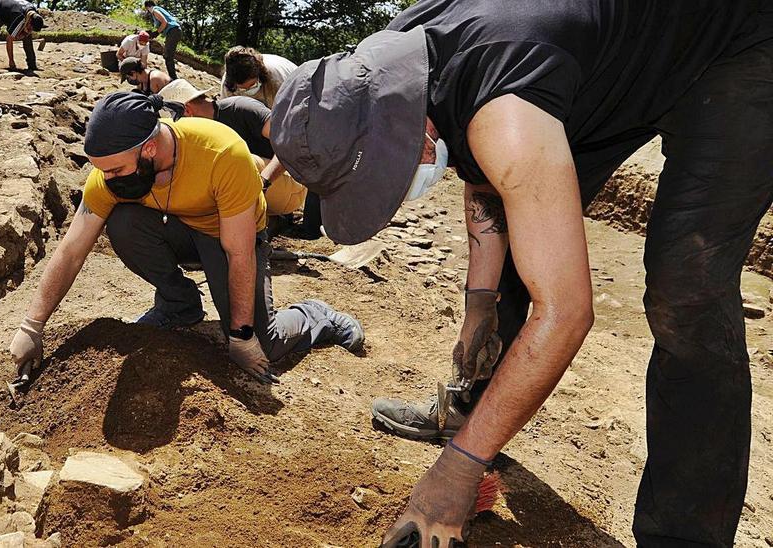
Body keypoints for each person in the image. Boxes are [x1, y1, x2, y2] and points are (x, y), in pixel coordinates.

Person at [268, 0, 773, 546]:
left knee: (686, 288)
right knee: (522, 243)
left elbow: (566, 312)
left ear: (407, 130)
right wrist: (480, 301)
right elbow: (481, 167)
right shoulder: (399, 61)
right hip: (602, 66)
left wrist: (457, 473)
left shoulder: (505, 107)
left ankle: (685, 536)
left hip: (736, 47)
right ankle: (472, 412)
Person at [7, 91, 365, 390]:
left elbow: (239, 252)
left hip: (231, 237)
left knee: (263, 342)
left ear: (149, 148)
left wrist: (241, 336)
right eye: (102, 170)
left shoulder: (222, 153)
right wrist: (32, 326)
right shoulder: (112, 173)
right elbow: (71, 250)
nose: (107, 178)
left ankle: (316, 316)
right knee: (123, 221)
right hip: (179, 229)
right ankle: (179, 305)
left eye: (115, 169)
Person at [159, 78, 313, 229]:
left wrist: (263, 182)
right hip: (255, 187)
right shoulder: (204, 131)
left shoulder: (240, 108)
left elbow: (289, 144)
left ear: (187, 111)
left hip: (290, 181)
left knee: (232, 160)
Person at [0, 0, 45, 72]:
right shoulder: (20, 17)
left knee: (27, 36)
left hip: (9, 13)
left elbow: (27, 30)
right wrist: (11, 61)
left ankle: (32, 65)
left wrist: (25, 32)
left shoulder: (34, 14)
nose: (30, 30)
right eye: (31, 28)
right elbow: (9, 39)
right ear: (29, 21)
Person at [219, 46, 298, 109]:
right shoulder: (228, 85)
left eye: (253, 85)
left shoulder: (276, 79)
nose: (248, 90)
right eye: (243, 89)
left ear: (259, 75)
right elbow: (227, 113)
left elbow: (287, 113)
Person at [143, 0, 182, 80]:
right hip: (175, 31)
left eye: (147, 10)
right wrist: (155, 32)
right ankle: (173, 77)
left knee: (168, 56)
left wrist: (156, 33)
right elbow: (163, 24)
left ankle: (173, 79)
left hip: (173, 32)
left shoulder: (155, 10)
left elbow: (164, 22)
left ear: (147, 7)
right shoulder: (159, 9)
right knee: (168, 55)